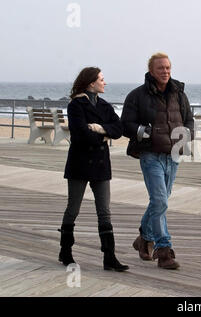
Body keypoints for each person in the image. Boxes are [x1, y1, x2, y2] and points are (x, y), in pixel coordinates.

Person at [121, 52, 194, 270]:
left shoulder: (179, 94)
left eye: (168, 68)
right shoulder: (137, 95)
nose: (165, 71)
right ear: (151, 71)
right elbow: (126, 124)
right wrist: (145, 132)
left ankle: (144, 237)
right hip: (150, 154)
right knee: (160, 200)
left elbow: (189, 119)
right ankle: (164, 250)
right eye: (161, 68)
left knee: (159, 202)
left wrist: (187, 135)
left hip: (173, 155)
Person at [58, 67, 129, 272]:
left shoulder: (105, 105)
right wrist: (104, 133)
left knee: (105, 212)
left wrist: (98, 128)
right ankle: (65, 251)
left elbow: (119, 129)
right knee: (73, 209)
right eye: (101, 79)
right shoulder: (76, 105)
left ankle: (109, 257)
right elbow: (80, 134)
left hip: (100, 163)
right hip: (79, 163)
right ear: (91, 83)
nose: (104, 83)